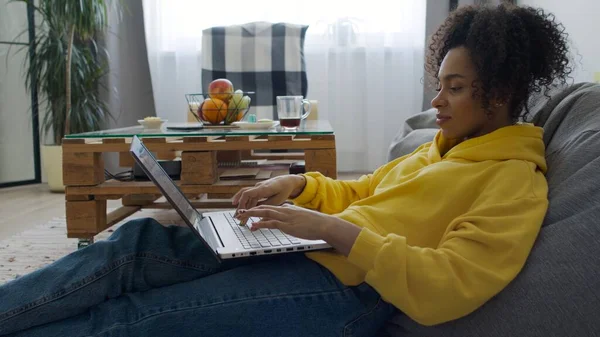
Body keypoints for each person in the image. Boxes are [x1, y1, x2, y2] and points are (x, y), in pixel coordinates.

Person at [0, 3, 573, 337]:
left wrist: (330, 230)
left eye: (455, 89)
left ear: (498, 94)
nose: (438, 102)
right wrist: (298, 185)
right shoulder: (442, 147)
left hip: (346, 294)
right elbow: (365, 189)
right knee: (129, 245)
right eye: (439, 85)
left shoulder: (514, 181)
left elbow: (449, 285)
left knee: (129, 319)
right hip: (303, 253)